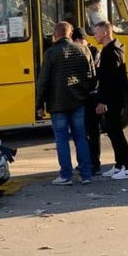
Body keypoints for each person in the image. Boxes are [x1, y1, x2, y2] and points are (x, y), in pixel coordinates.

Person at [35, 21, 96, 186]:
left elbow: (44, 81)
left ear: (55, 35)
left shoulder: (51, 53)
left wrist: (39, 105)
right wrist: (84, 92)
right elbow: (91, 75)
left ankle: (66, 175)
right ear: (70, 34)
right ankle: (86, 174)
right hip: (78, 102)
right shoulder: (83, 50)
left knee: (62, 140)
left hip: (57, 103)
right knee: (81, 138)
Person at [92, 20, 128, 180]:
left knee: (116, 133)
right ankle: (119, 165)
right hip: (115, 98)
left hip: (113, 99)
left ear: (105, 33)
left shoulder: (110, 52)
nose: (94, 35)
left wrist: (103, 101)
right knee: (112, 132)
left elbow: (110, 80)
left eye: (96, 32)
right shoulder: (114, 48)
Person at [71, 27, 102, 176]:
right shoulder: (84, 51)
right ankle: (87, 161)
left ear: (79, 40)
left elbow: (94, 77)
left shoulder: (94, 52)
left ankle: (94, 163)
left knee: (93, 132)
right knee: (83, 132)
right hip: (84, 97)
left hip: (93, 98)